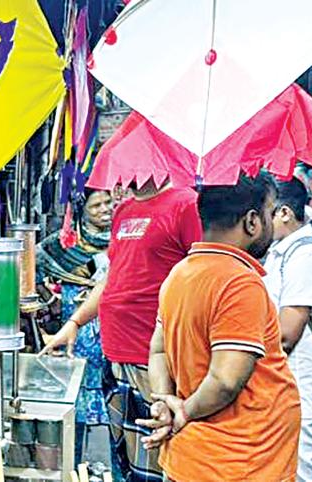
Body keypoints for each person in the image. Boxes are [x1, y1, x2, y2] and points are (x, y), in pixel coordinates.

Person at [139, 172, 301, 482]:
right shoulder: (239, 282)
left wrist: (164, 400)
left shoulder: (180, 273)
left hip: (196, 459)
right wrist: (182, 412)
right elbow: (226, 380)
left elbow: (158, 349)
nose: (271, 222)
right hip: (240, 462)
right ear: (252, 221)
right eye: (269, 212)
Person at [41, 179, 202, 482]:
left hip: (153, 357)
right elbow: (114, 275)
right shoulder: (126, 210)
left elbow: (201, 271)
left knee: (157, 462)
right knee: (126, 462)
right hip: (116, 355)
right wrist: (75, 322)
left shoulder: (184, 203)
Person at [262, 178, 312, 482]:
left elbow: (286, 333)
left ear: (283, 213)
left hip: (297, 378)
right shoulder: (281, 251)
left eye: (264, 212)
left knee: (302, 464)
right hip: (282, 378)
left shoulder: (307, 256)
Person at [35, 188, 113, 463]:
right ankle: (72, 466)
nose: (105, 209)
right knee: (73, 404)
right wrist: (50, 301)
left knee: (114, 404)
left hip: (111, 331)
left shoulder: (123, 240)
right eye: (96, 206)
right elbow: (32, 266)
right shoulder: (64, 244)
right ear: (82, 212)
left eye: (108, 202)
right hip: (76, 331)